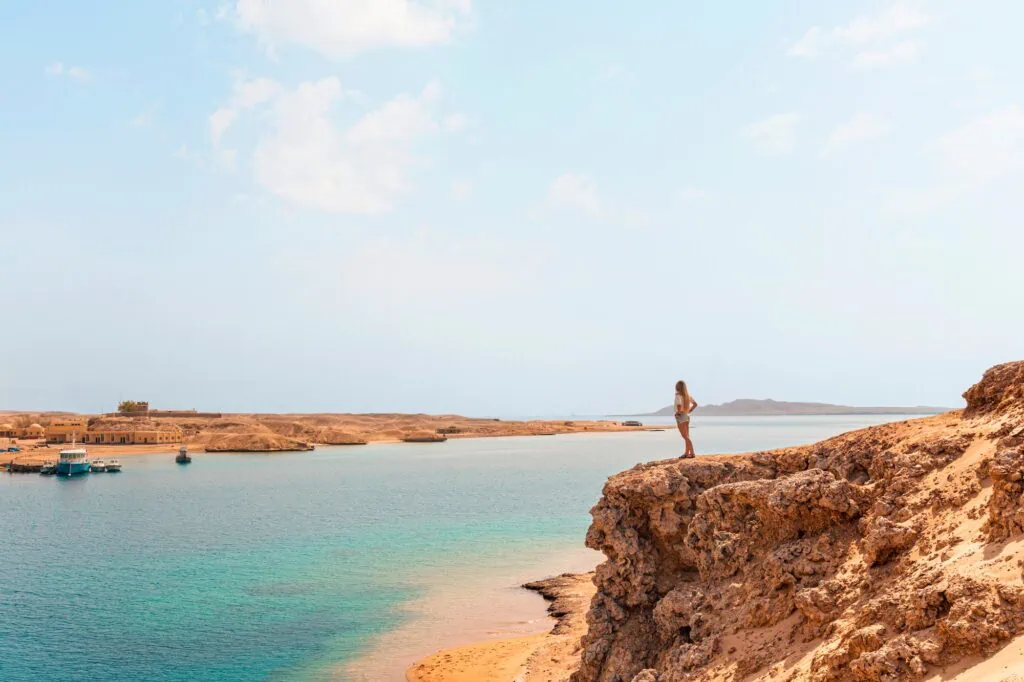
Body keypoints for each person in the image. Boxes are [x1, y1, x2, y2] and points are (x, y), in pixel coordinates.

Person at [674, 380, 698, 458]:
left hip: (681, 416)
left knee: (685, 436)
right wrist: (689, 411)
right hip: (686, 416)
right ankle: (686, 453)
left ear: (678, 387)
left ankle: (692, 453)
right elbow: (695, 404)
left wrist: (678, 413)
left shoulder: (678, 396)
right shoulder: (687, 396)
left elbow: (679, 406)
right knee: (687, 436)